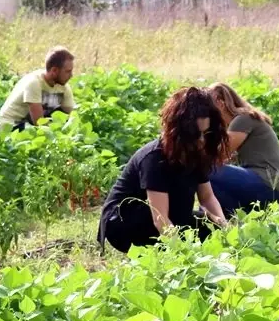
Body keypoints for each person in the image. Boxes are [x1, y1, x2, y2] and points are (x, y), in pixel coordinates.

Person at [97, 87, 229, 253]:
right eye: (196, 135)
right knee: (178, 230)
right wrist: (183, 253)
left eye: (206, 133)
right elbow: (160, 218)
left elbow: (207, 198)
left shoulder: (196, 154)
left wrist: (223, 228)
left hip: (167, 216)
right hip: (126, 221)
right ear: (182, 133)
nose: (202, 141)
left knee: (210, 228)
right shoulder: (154, 158)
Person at [206, 83, 279, 216]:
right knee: (214, 180)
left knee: (207, 170)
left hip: (265, 182)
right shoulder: (243, 119)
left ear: (220, 103)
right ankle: (223, 220)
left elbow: (218, 155)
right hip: (268, 185)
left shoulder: (243, 119)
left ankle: (214, 217)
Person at [0, 46, 76, 129]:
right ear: (54, 70)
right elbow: (38, 122)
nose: (71, 75)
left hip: (29, 125)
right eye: (68, 71)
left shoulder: (64, 87)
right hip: (12, 124)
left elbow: (72, 114)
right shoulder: (34, 83)